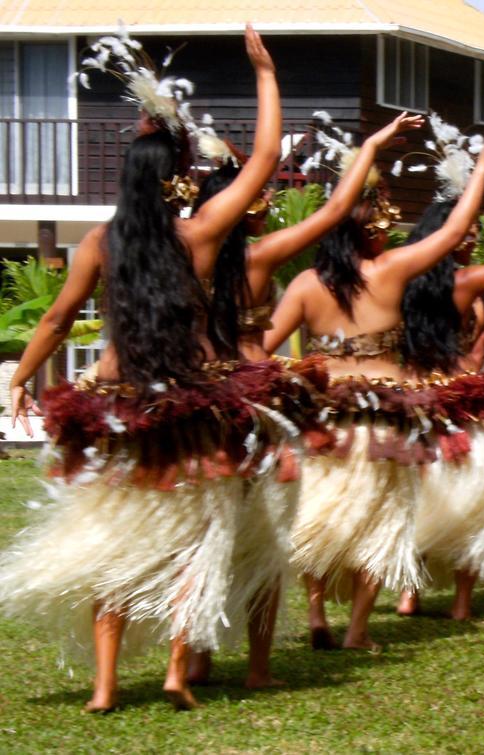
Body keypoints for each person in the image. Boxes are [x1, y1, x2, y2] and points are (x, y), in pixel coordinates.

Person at [0, 25, 281, 711]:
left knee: (116, 541)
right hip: (191, 407)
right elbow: (265, 160)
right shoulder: (201, 234)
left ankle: (103, 685)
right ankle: (176, 673)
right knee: (193, 543)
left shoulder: (99, 241)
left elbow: (56, 321)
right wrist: (265, 73)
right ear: (178, 180)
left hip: (119, 408)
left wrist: (19, 377)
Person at [184, 110, 423, 686]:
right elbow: (338, 209)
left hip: (204, 403)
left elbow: (261, 341)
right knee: (279, 528)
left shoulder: (169, 254)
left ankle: (195, 655)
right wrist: (374, 145)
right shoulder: (264, 259)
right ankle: (277, 660)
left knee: (205, 530)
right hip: (277, 414)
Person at [264, 125, 484, 650]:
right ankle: (356, 629)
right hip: (385, 421)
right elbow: (453, 232)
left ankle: (315, 617)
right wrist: (482, 164)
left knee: (318, 514)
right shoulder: (392, 270)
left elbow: (262, 347)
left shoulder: (307, 285)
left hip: (326, 418)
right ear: (371, 228)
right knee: (380, 521)